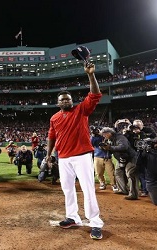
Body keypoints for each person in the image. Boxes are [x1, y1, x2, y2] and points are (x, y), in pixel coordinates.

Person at [46, 61, 104, 240]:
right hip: (63, 158)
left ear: (72, 101)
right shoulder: (54, 117)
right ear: (58, 103)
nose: (65, 101)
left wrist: (90, 74)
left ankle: (95, 222)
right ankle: (72, 216)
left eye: (68, 99)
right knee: (67, 189)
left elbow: (94, 95)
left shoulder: (81, 110)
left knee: (87, 189)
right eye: (62, 99)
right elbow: (51, 137)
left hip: (82, 156)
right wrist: (49, 155)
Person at [100, 127, 139, 200]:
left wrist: (110, 147)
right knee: (117, 173)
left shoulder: (120, 137)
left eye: (104, 134)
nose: (103, 136)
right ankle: (122, 190)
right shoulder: (109, 139)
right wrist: (104, 147)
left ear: (109, 133)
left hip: (131, 158)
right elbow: (111, 149)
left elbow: (124, 147)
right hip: (121, 158)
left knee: (130, 174)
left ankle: (134, 194)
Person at [91, 126, 117, 192]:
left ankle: (114, 185)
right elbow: (92, 143)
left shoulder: (108, 137)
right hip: (97, 157)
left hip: (107, 157)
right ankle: (102, 183)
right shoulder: (94, 138)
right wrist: (94, 135)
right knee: (98, 173)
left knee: (111, 173)